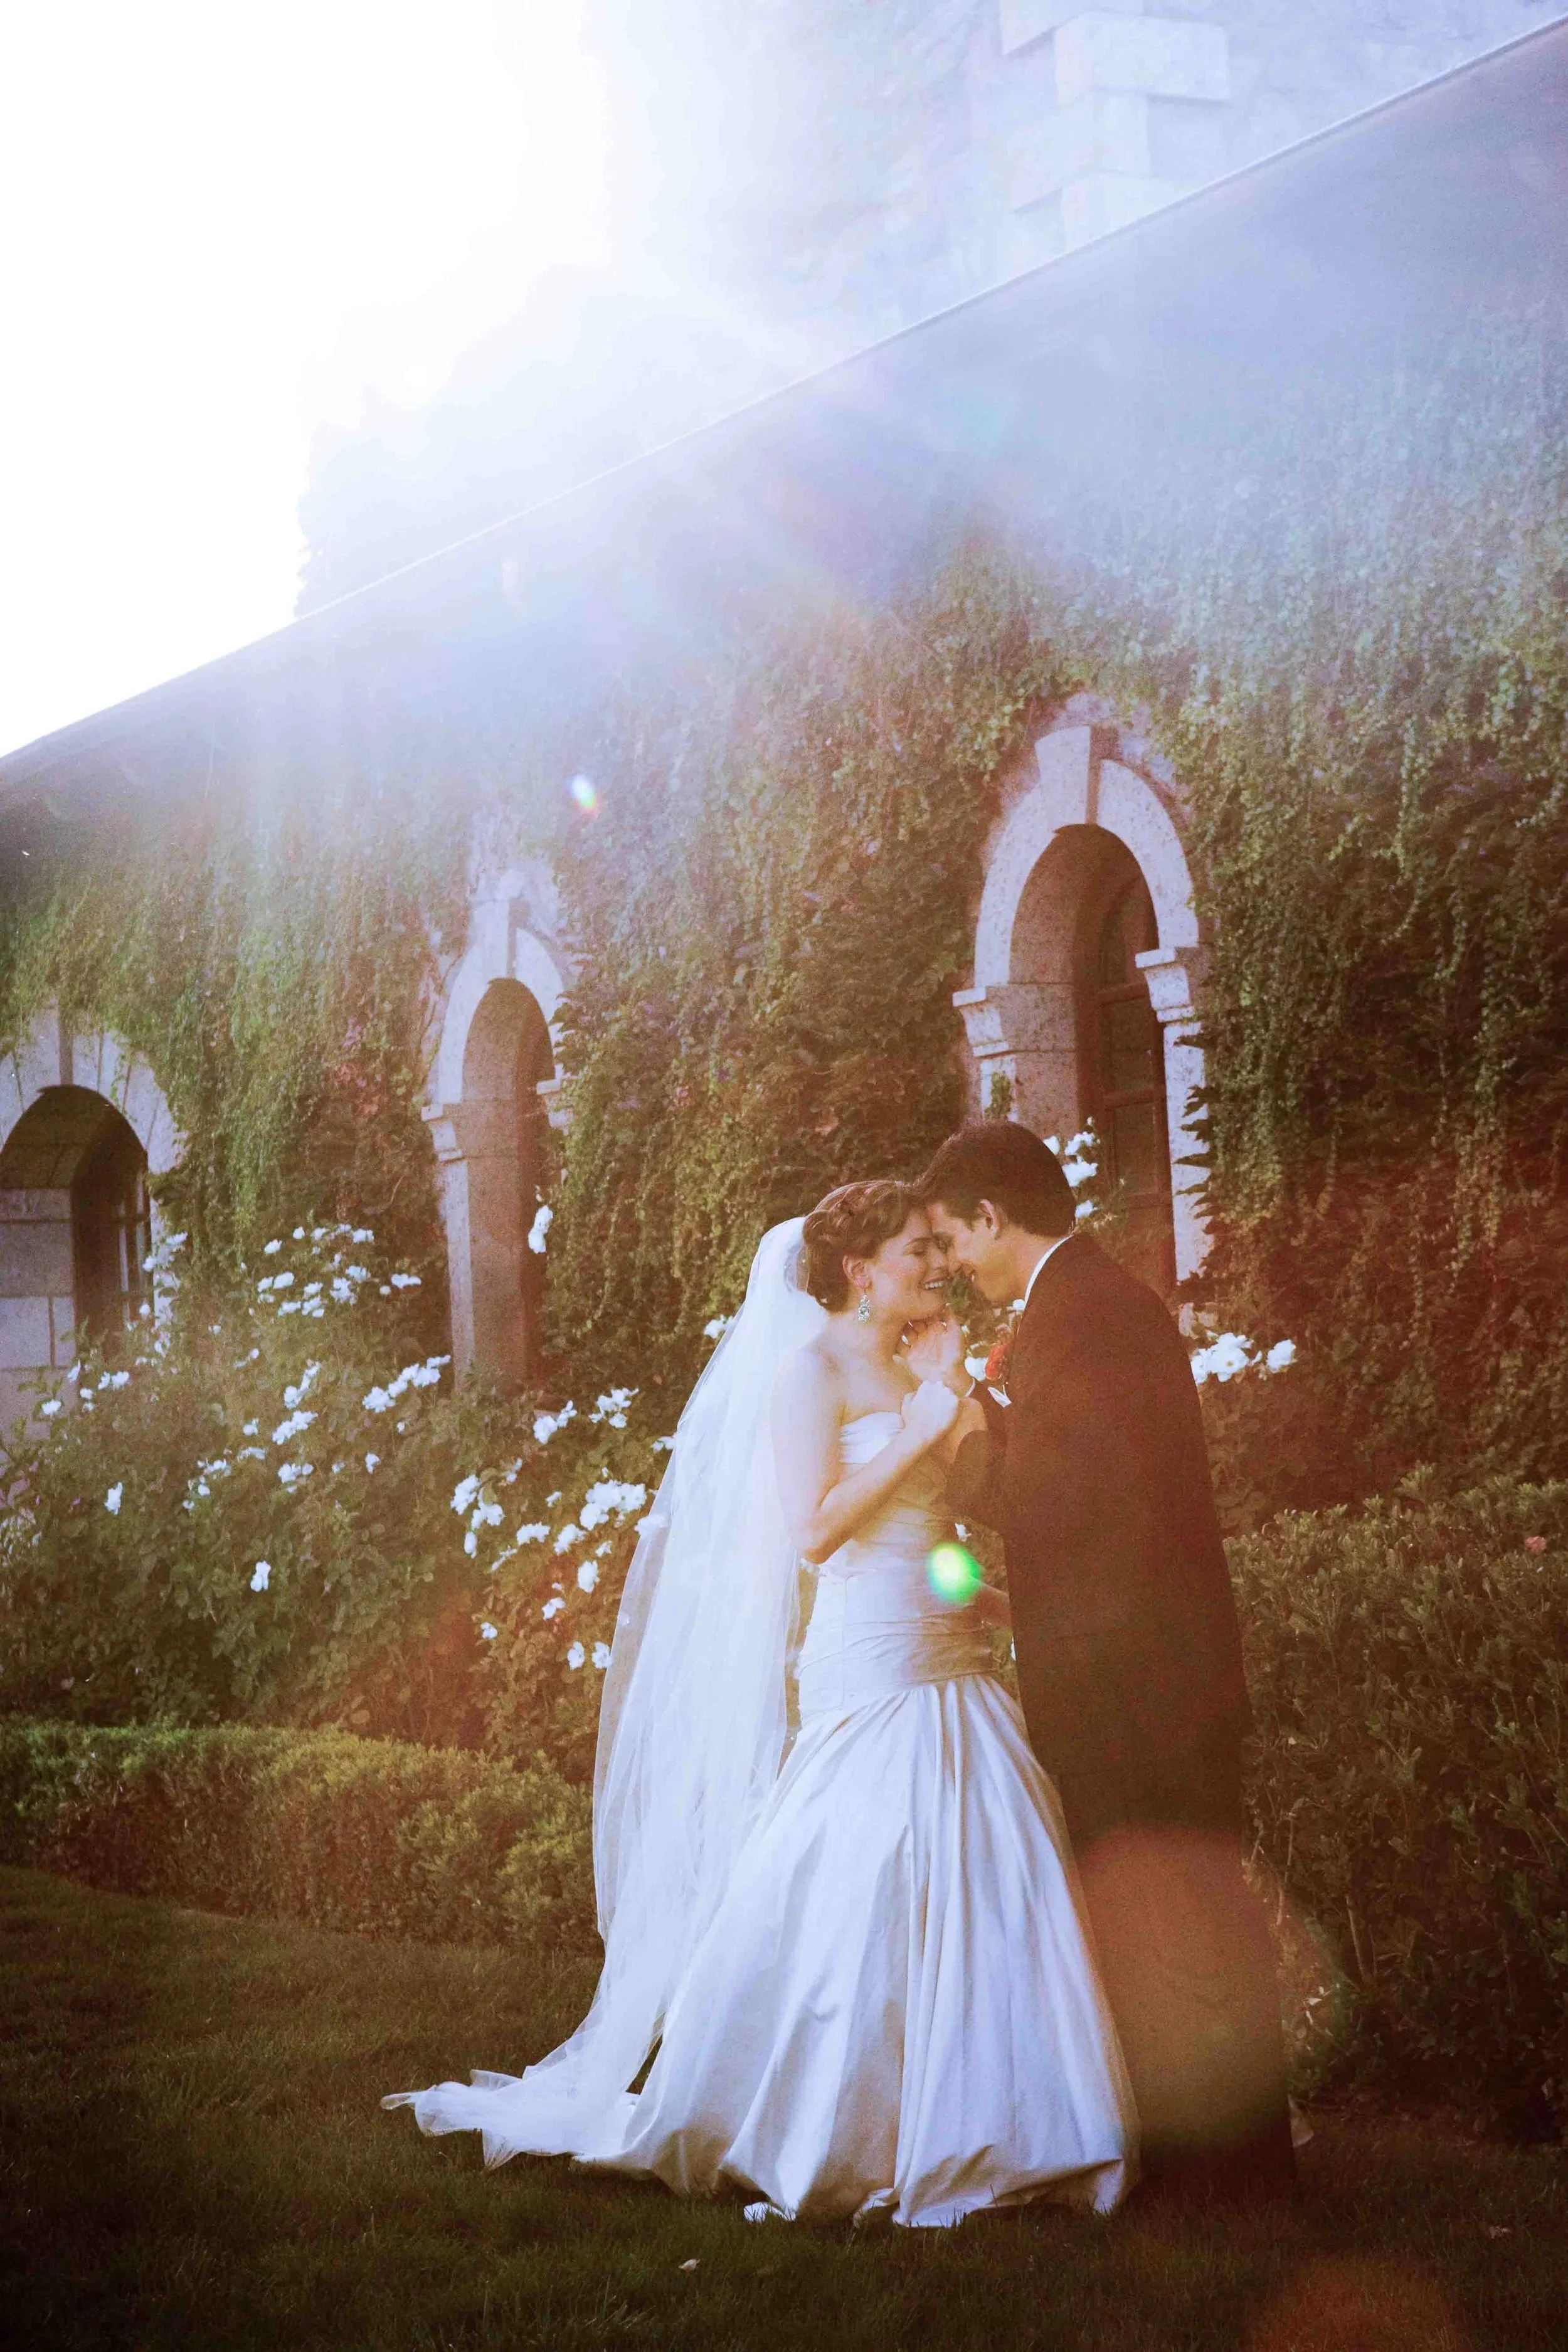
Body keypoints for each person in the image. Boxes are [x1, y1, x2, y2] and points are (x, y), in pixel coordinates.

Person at [384, 1181, 1135, 2227]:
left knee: (986, 1858)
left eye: (936, 1246)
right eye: (918, 1250)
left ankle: (1009, 2121)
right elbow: (816, 1532)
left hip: (947, 1647)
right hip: (866, 1657)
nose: (938, 1264)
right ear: (858, 1269)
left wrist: (995, 1586)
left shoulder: (922, 1360)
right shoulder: (809, 1372)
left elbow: (947, 1532)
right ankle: (834, 2121)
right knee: (866, 1861)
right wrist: (922, 1426)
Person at [914, 1120, 1296, 2205]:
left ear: (994, 1216)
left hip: (1141, 1688)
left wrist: (955, 1450)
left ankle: (1229, 2184)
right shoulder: (1085, 1310)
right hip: (1143, 1672)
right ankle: (1218, 2170)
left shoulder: (1085, 1320)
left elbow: (1061, 1503)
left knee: (1179, 1926)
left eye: (954, 1239)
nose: (955, 1266)